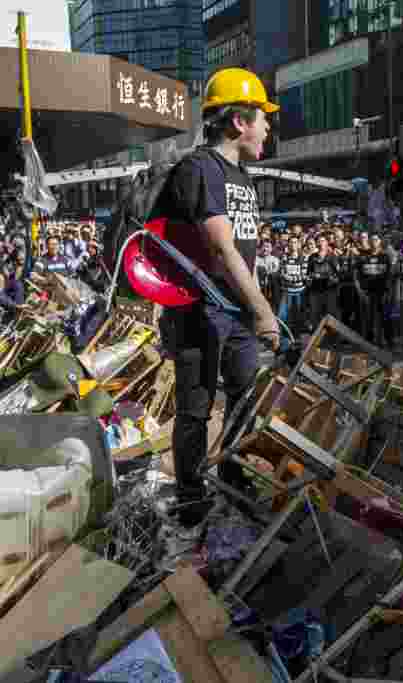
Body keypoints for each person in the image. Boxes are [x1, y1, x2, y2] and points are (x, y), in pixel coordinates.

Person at [156, 67, 279, 525]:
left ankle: (231, 473)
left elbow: (246, 254)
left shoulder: (242, 177)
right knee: (196, 409)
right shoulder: (200, 168)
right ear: (238, 122)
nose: (267, 127)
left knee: (245, 397)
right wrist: (265, 311)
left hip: (239, 316)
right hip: (199, 312)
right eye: (262, 117)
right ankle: (191, 496)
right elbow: (223, 249)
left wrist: (256, 308)